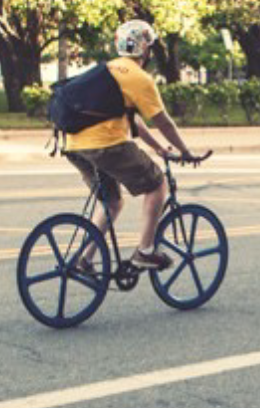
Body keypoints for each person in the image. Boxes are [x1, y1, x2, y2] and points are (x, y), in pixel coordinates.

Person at [64, 20, 200, 270]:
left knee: (112, 202)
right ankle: (145, 252)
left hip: (74, 145)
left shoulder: (107, 70)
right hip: (106, 145)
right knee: (157, 184)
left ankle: (84, 259)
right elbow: (163, 122)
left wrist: (158, 148)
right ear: (145, 49)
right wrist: (185, 151)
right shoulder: (139, 78)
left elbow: (132, 119)